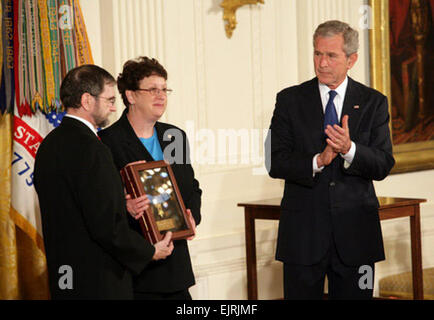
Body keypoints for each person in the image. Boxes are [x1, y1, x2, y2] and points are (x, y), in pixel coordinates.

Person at [265, 20, 395, 300]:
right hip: (303, 237)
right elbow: (274, 161)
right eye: (317, 53)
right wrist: (318, 160)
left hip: (357, 237)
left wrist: (349, 149)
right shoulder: (289, 100)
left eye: (331, 55)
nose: (322, 63)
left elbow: (384, 163)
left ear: (352, 60)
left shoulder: (374, 102)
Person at [34, 64, 174, 299]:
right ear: (87, 101)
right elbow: (106, 225)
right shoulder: (93, 149)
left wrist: (124, 206)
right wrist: (149, 250)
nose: (113, 107)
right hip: (98, 281)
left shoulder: (49, 145)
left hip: (64, 276)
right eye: (109, 100)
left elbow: (78, 208)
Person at [99, 56, 202, 300]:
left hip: (176, 268)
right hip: (137, 274)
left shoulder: (174, 136)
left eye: (164, 89)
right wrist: (126, 207)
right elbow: (102, 208)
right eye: (153, 89)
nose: (161, 95)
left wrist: (191, 218)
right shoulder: (107, 142)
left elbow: (192, 189)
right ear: (131, 95)